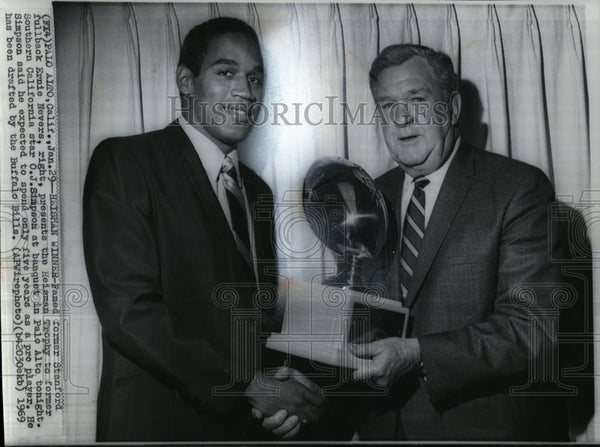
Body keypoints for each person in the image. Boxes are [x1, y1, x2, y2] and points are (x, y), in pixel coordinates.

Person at [82, 17, 322, 442]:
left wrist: (279, 385)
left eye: (255, 78)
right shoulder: (126, 162)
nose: (245, 91)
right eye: (226, 72)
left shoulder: (257, 191)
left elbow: (254, 318)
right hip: (155, 426)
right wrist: (249, 385)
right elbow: (130, 311)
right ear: (186, 82)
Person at [350, 44, 569, 441]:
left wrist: (417, 353)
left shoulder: (519, 188)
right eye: (386, 106)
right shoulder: (370, 196)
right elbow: (362, 318)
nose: (401, 119)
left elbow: (533, 329)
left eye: (417, 100)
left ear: (451, 109)